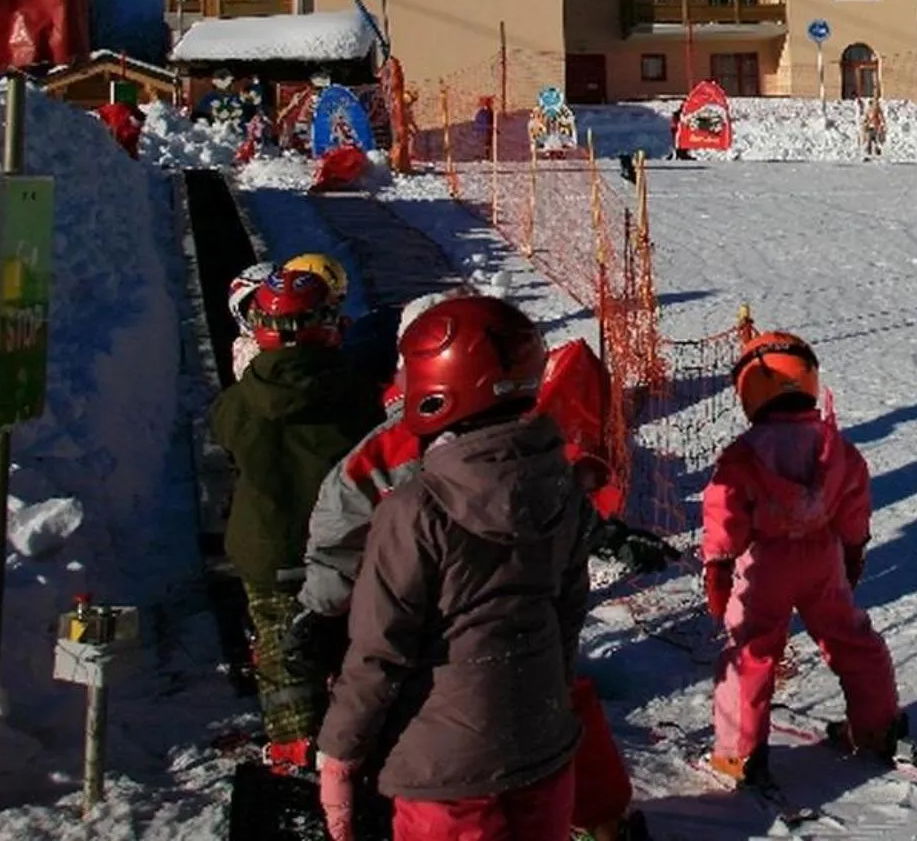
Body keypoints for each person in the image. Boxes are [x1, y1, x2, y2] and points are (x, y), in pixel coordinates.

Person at [292, 305, 661, 841]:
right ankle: (605, 819)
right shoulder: (557, 473)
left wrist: (340, 754)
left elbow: (379, 648)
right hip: (542, 743)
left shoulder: (411, 501)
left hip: (444, 768)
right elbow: (568, 606)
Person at [702, 313, 903, 788]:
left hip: (764, 563)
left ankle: (739, 753)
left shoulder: (744, 454)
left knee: (752, 651)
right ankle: (878, 725)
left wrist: (719, 564)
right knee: (849, 636)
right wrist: (853, 550)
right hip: (822, 557)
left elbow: (724, 510)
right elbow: (854, 503)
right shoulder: (836, 447)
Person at [208, 269, 386, 766]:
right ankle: (353, 738)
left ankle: (293, 746)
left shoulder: (243, 397)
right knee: (349, 638)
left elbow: (221, 430)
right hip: (343, 544)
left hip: (266, 548)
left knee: (279, 646)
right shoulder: (352, 389)